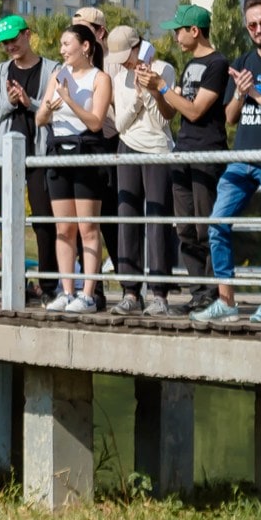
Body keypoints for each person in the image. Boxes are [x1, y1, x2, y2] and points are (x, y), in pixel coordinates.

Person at [194, 0, 261, 323]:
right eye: (251, 24)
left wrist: (254, 93)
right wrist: (239, 93)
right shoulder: (243, 60)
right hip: (242, 158)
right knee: (217, 222)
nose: (258, 29)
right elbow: (230, 117)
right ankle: (227, 301)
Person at [154, 3, 230, 307]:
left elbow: (197, 110)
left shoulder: (218, 63)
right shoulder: (189, 65)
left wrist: (161, 87)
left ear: (194, 31)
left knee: (205, 226)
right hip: (182, 152)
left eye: (178, 30)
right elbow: (173, 111)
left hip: (206, 154)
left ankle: (212, 293)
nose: (175, 37)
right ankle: (198, 292)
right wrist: (155, 91)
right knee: (184, 228)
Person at [37, 22, 115, 313]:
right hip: (59, 153)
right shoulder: (57, 75)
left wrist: (69, 99)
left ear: (85, 46)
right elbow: (40, 119)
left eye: (66, 44)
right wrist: (49, 106)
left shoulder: (100, 78)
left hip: (87, 153)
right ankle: (67, 291)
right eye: (60, 45)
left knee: (87, 227)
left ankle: (88, 294)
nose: (62, 50)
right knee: (64, 228)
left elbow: (96, 122)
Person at [0, 15, 56, 303]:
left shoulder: (51, 70)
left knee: (44, 222)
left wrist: (29, 103)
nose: (10, 45)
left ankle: (49, 286)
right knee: (9, 220)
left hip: (41, 155)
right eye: (5, 42)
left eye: (14, 39)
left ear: (28, 34)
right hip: (6, 156)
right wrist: (11, 103)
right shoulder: (0, 72)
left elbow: (57, 111)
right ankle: (16, 283)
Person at [106, 25, 176, 315]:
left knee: (158, 220)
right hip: (127, 148)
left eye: (127, 55)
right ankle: (130, 291)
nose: (124, 62)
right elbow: (120, 125)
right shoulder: (120, 77)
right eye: (119, 57)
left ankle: (159, 293)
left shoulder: (164, 69)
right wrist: (137, 96)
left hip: (158, 148)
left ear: (139, 47)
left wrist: (149, 90)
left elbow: (163, 121)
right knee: (127, 220)